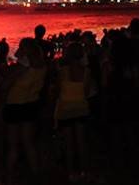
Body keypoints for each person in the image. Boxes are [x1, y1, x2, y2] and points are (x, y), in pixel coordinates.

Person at [0, 38, 47, 184]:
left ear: (27, 50)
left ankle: (9, 177)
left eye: (21, 47)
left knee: (13, 145)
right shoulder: (43, 65)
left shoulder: (24, 65)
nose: (19, 49)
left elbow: (6, 84)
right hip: (31, 104)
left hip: (15, 105)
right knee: (29, 143)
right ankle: (35, 174)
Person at [55, 42, 91, 181]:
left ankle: (71, 173)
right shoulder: (87, 71)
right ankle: (84, 171)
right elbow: (86, 92)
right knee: (81, 143)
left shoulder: (62, 71)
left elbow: (58, 91)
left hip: (66, 109)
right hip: (81, 107)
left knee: (69, 143)